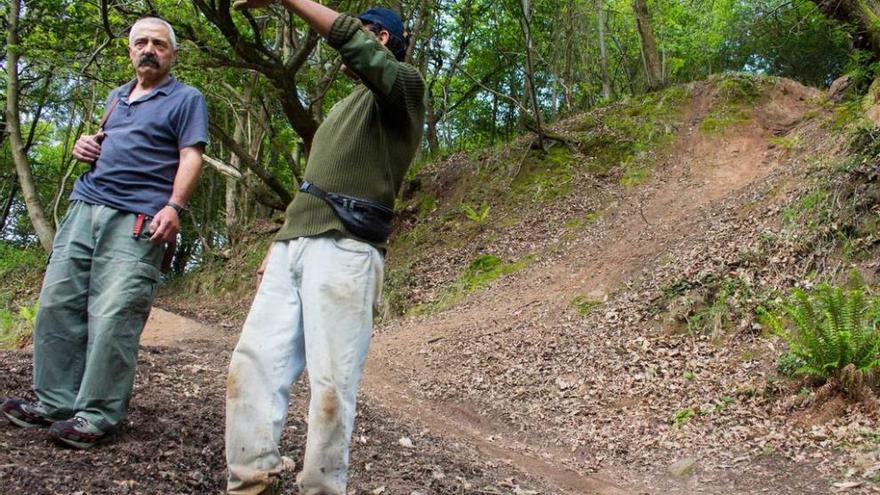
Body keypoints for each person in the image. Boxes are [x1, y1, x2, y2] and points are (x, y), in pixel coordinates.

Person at [224, 1, 425, 494]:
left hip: (347, 250)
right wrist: (281, 239)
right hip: (296, 245)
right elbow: (313, 183)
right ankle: (251, 480)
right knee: (251, 365)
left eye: (368, 32)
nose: (357, 39)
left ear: (383, 41)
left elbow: (351, 42)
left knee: (332, 386)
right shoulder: (341, 108)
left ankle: (321, 488)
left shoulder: (403, 87)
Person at [1, 17, 208, 449]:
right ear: (130, 51)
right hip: (84, 207)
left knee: (116, 313)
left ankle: (96, 414)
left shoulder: (186, 98)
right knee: (58, 303)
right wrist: (83, 146)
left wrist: (174, 207)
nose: (149, 49)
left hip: (137, 216)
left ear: (172, 53)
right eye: (141, 43)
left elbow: (191, 156)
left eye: (159, 44)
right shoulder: (116, 97)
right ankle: (53, 402)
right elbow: (102, 143)